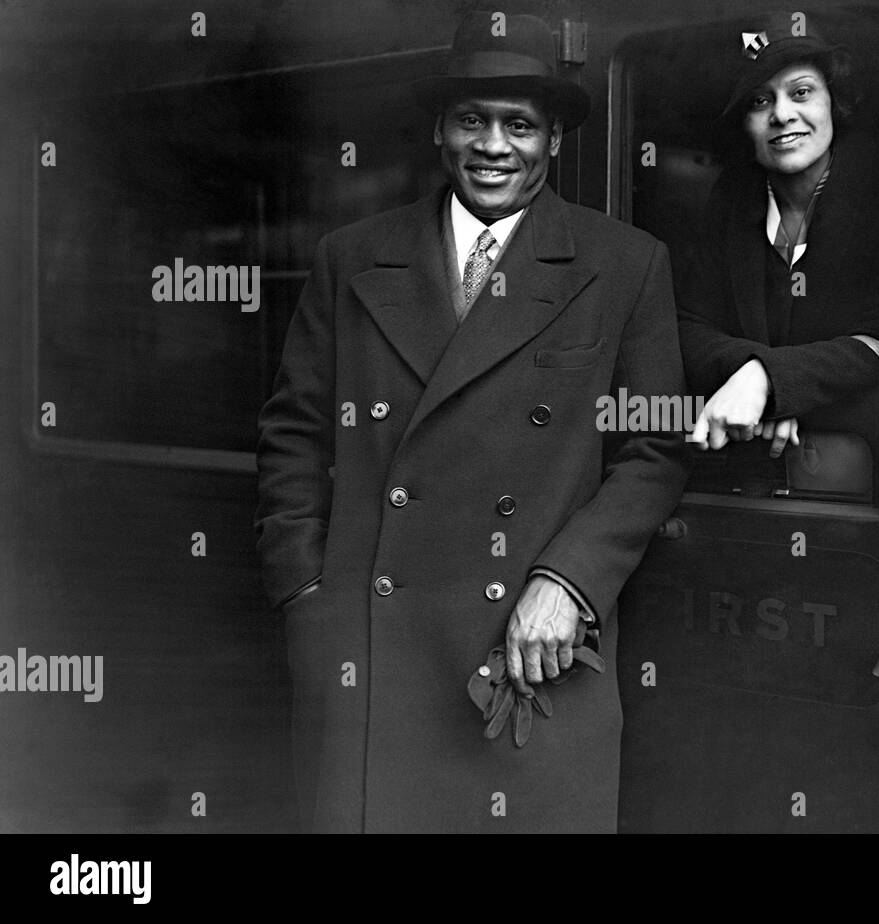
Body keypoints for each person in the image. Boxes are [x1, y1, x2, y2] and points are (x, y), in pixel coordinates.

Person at [254, 10, 689, 833]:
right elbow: (294, 434)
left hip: (531, 644)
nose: (493, 145)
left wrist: (570, 584)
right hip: (372, 649)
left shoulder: (624, 263)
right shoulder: (352, 256)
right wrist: (307, 593)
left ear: (554, 139)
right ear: (439, 131)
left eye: (519, 125)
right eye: (472, 121)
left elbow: (654, 450)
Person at [679, 11, 879, 503]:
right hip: (745, 486)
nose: (781, 114)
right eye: (760, 101)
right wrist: (762, 378)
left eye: (800, 93)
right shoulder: (729, 204)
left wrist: (770, 382)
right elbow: (687, 325)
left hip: (867, 493)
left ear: (833, 103)